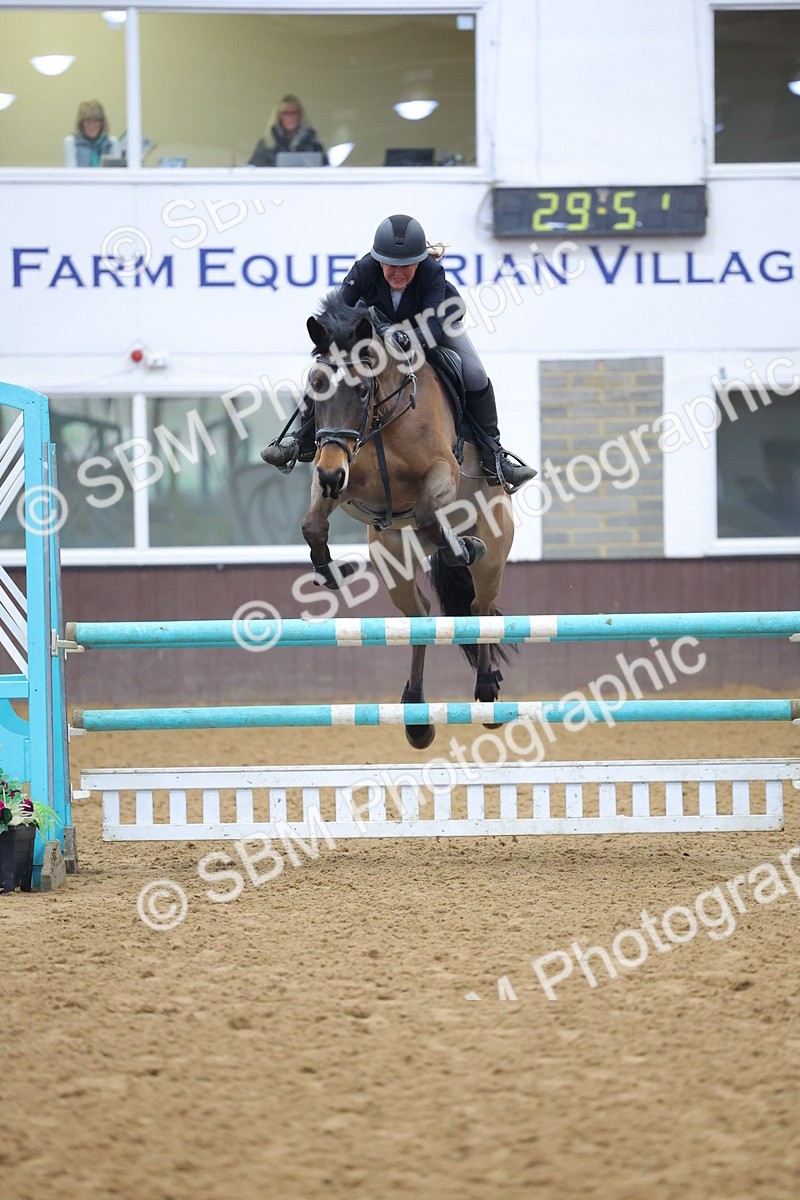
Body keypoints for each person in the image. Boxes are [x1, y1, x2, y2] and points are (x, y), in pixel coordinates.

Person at [261, 213, 537, 491]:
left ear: (418, 262)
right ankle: (302, 441)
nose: (398, 273)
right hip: (380, 328)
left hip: (436, 323)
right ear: (379, 260)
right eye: (390, 265)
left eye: (406, 266)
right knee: (327, 369)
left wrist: (407, 337)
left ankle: (494, 454)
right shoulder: (363, 269)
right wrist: (330, 337)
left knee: (475, 373)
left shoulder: (432, 273)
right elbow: (337, 311)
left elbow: (433, 327)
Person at [248, 94, 326, 166]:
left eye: (294, 113)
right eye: (285, 113)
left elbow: (325, 168)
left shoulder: (312, 142)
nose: (290, 117)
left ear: (300, 115)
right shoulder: (267, 143)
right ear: (279, 116)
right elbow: (254, 167)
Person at [63, 100, 120, 167]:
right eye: (87, 120)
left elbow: (117, 170)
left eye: (96, 120)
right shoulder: (71, 141)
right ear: (81, 123)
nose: (92, 125)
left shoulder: (112, 142)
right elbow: (71, 171)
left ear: (102, 123)